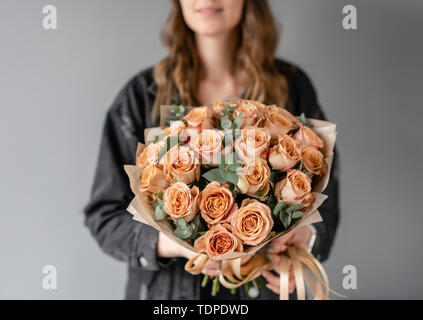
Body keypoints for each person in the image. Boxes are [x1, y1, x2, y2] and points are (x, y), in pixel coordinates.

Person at [84, 0, 339, 300]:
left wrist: (302, 238)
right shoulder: (142, 96)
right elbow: (104, 216)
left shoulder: (292, 87)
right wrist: (174, 243)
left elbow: (327, 202)